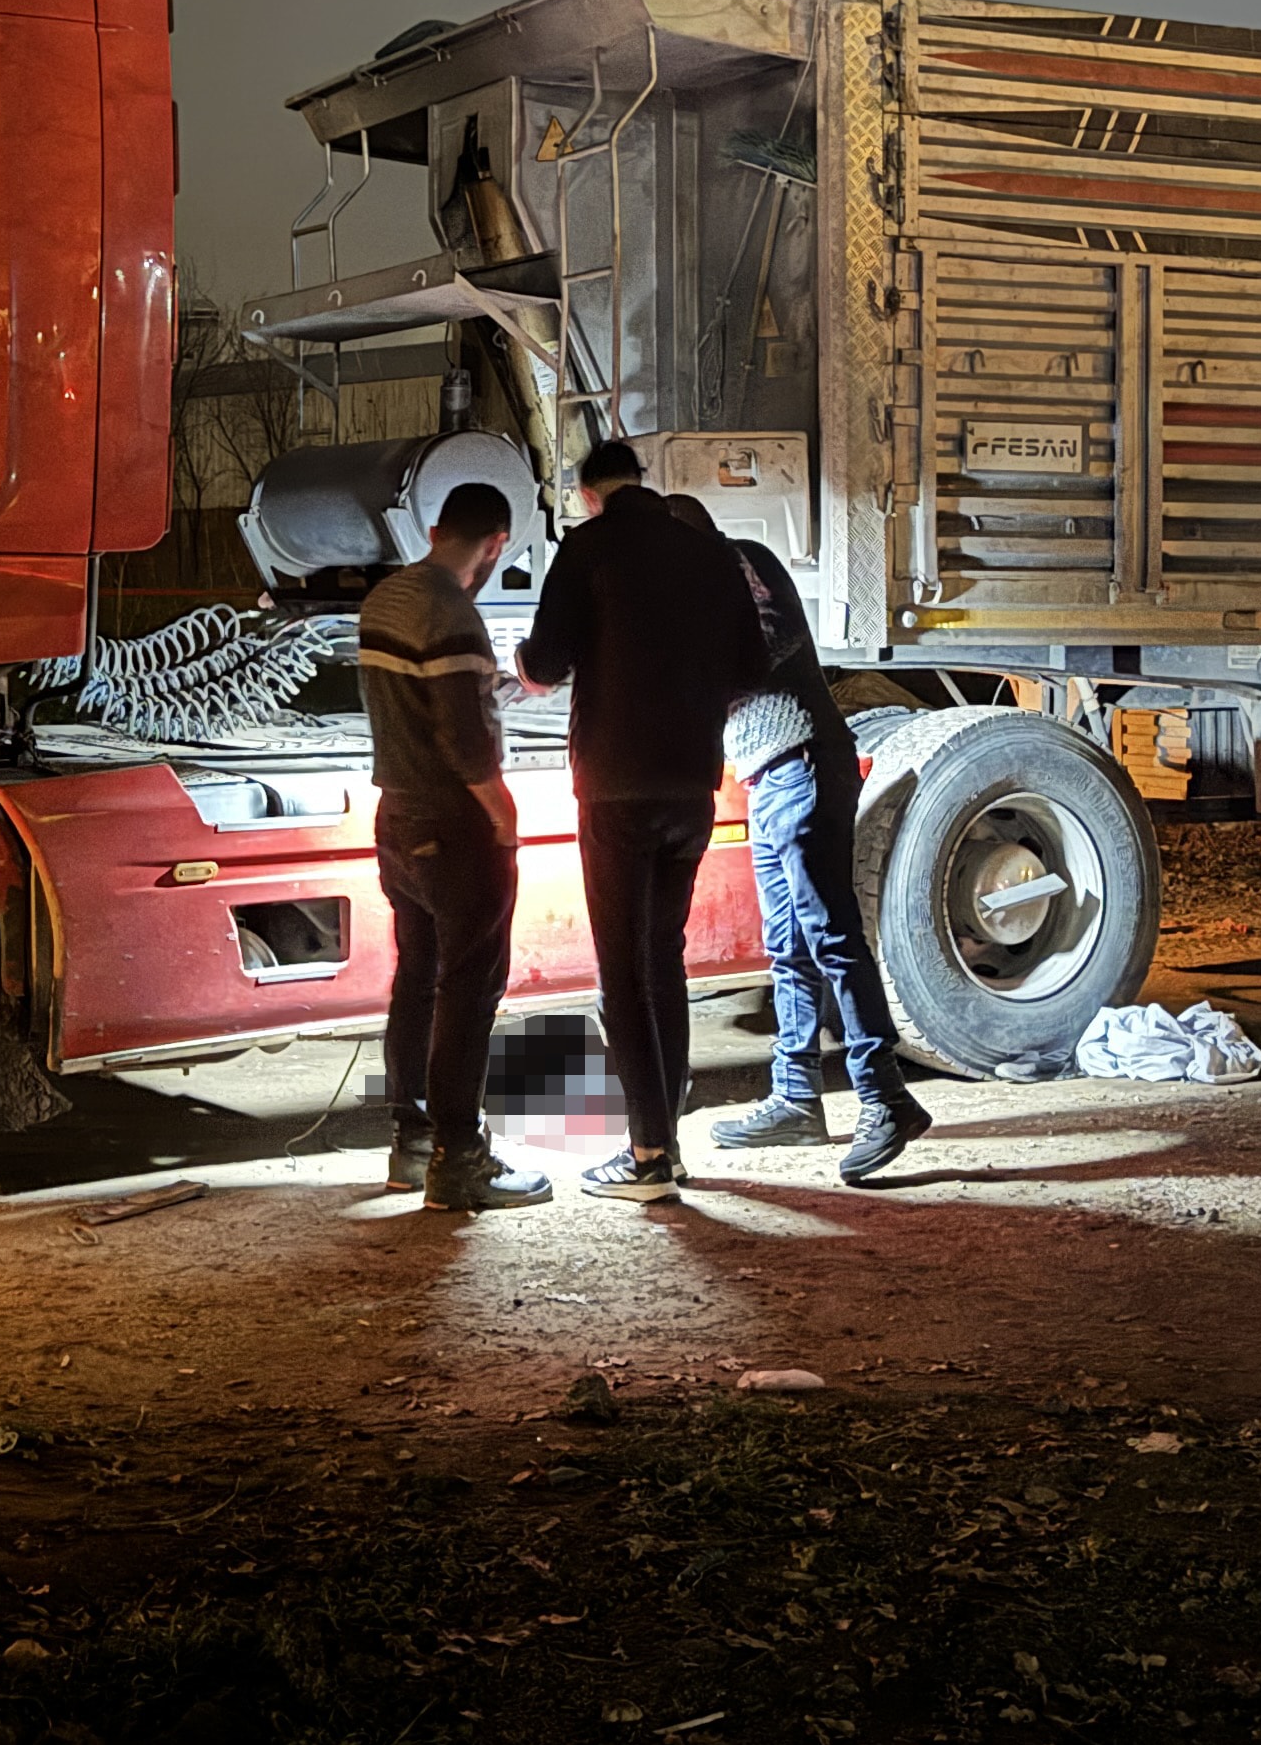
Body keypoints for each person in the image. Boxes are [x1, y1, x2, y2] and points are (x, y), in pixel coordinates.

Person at [515, 437, 766, 1202]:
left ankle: (648, 1154)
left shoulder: (589, 547)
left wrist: (522, 665)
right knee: (664, 958)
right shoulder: (709, 553)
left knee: (622, 967)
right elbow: (753, 668)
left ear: (588, 494)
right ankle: (667, 1143)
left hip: (615, 787)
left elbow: (545, 664)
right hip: (692, 785)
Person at [666, 495, 929, 1186]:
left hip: (803, 765)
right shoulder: (704, 587)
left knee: (831, 934)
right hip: (771, 775)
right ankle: (795, 1099)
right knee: (788, 944)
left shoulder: (742, 564)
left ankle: (886, 1098)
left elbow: (764, 648)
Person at [355, 481, 550, 1213]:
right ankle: (459, 1161)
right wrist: (502, 814)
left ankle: (410, 1145)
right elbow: (465, 744)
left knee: (418, 977)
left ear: (435, 530)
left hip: (398, 815)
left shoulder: (387, 599)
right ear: (497, 544)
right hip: (455, 825)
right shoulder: (454, 613)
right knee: (469, 990)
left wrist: (491, 687)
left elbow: (416, 700)